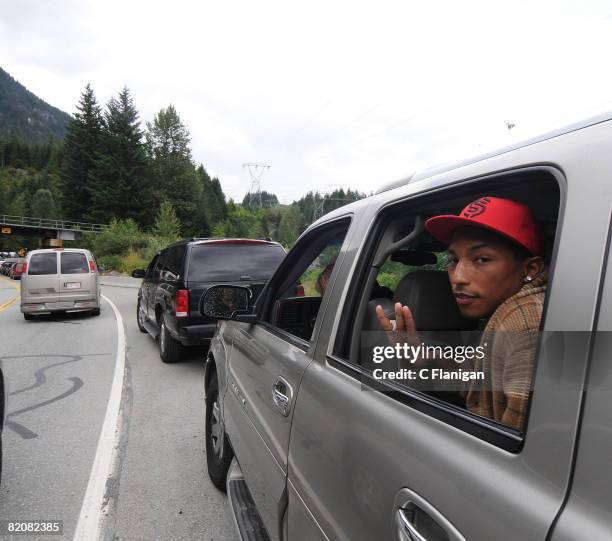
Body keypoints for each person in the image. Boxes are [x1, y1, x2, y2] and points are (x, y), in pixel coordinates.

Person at [376, 196, 546, 431]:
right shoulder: (508, 315)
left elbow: (513, 455)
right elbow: (474, 380)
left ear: (530, 269)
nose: (458, 277)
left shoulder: (523, 325)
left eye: (482, 259)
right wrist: (424, 356)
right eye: (454, 260)